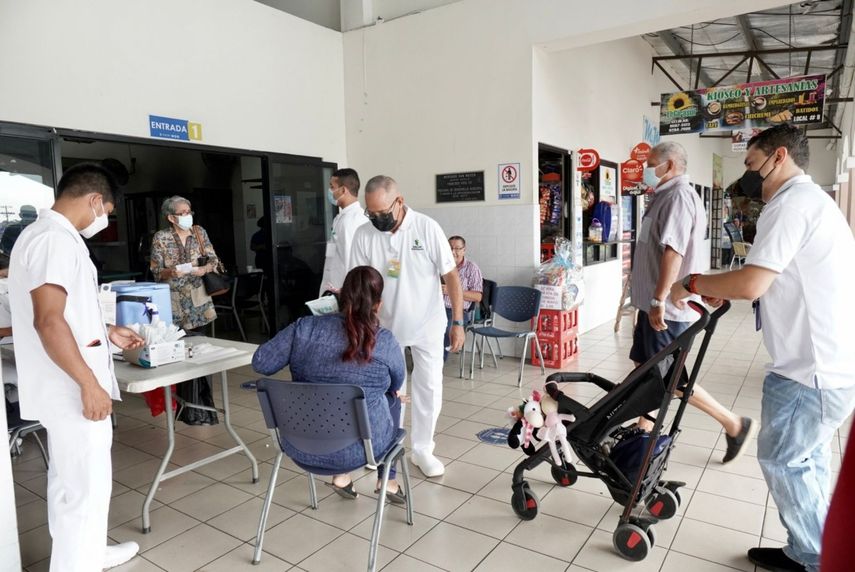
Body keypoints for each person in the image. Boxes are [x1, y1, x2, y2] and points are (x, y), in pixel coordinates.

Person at [670, 124, 855, 572]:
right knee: (804, 462)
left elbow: (752, 283)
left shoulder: (789, 205)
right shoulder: (816, 204)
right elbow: (775, 281)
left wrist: (690, 282)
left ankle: (813, 559)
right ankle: (809, 549)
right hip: (830, 364)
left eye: (752, 163)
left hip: (808, 371)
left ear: (779, 157)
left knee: (785, 462)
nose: (748, 175)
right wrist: (721, 289)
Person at [8, 162, 145, 571]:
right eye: (106, 211)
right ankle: (76, 565)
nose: (103, 220)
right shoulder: (54, 240)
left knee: (73, 481)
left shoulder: (46, 236)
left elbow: (63, 314)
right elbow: (48, 321)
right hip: (69, 386)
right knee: (84, 485)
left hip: (62, 381)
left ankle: (86, 552)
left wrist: (106, 331)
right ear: (94, 200)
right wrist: (89, 384)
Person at [631, 141, 754, 463]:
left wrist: (659, 299)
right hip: (651, 307)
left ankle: (734, 424)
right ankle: (643, 429)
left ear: (669, 165)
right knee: (645, 369)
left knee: (671, 380)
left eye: (650, 162)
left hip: (666, 310)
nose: (645, 167)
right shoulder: (662, 196)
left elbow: (674, 252)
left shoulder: (678, 197)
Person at [252, 266, 408, 502]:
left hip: (298, 444)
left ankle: (342, 477)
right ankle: (387, 480)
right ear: (378, 304)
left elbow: (262, 363)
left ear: (340, 297)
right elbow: (397, 382)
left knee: (335, 400)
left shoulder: (304, 328)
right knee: (392, 399)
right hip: (362, 450)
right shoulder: (383, 340)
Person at [350, 175, 465, 478]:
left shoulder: (426, 228)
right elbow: (361, 282)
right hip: (385, 330)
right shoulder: (364, 234)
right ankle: (388, 447)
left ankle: (423, 449)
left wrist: (458, 322)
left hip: (428, 324)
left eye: (382, 213)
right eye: (371, 214)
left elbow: (451, 276)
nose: (377, 219)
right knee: (390, 392)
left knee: (428, 387)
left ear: (399, 202)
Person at [150, 196, 220, 333]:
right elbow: (156, 270)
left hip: (199, 298)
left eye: (189, 212)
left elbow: (214, 260)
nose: (188, 215)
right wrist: (171, 272)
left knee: (201, 341)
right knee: (177, 343)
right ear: (171, 218)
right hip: (173, 301)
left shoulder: (199, 232)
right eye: (183, 213)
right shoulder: (161, 238)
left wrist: (204, 269)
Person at [320, 168, 368, 295]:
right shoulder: (341, 218)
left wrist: (347, 292)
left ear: (343, 190)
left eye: (332, 187)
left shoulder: (353, 221)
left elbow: (353, 261)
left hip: (343, 290)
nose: (329, 191)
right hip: (334, 286)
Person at [442, 235, 482, 361]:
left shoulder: (471, 268)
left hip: (458, 311)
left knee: (445, 327)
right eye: (450, 248)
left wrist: (450, 291)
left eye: (457, 248)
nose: (453, 252)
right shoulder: (440, 266)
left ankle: (438, 363)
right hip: (435, 307)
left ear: (464, 250)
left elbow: (478, 296)